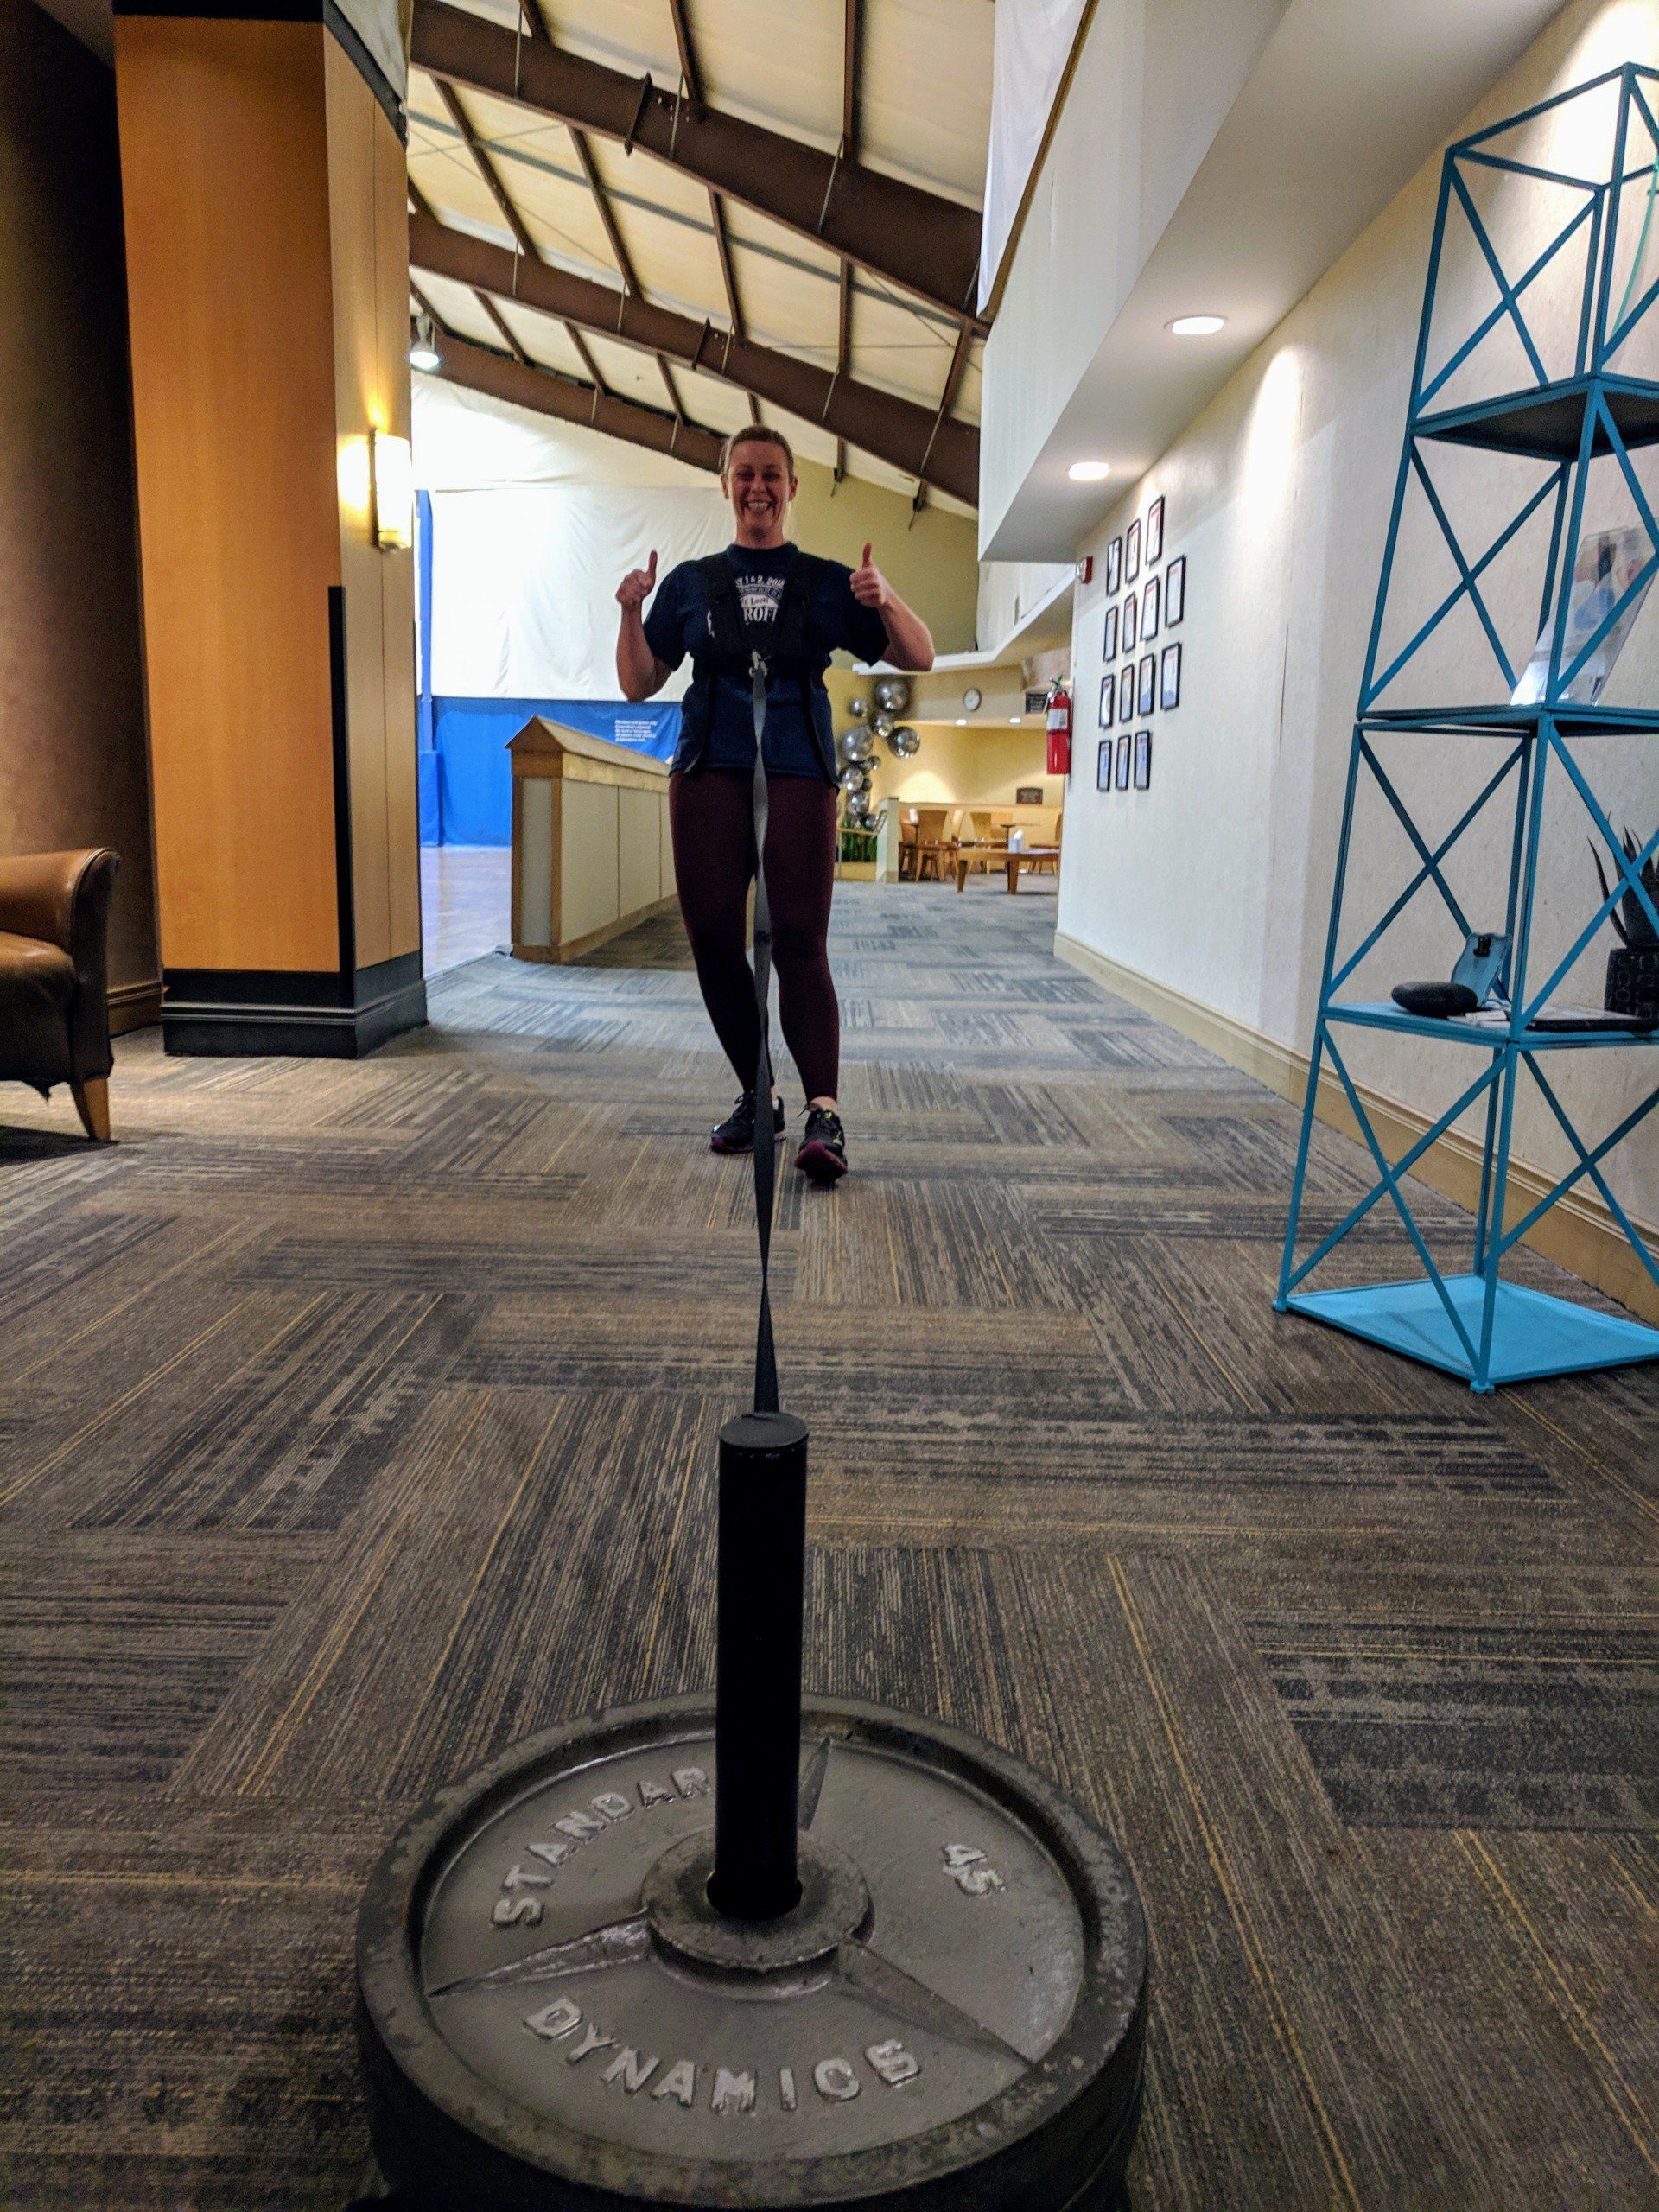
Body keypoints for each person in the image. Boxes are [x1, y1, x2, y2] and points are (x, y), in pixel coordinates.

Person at [615, 425, 934, 1183]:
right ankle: (758, 1095)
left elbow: (918, 655)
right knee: (714, 943)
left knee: (799, 942)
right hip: (706, 773)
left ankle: (825, 1112)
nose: (758, 487)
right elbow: (638, 682)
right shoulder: (691, 584)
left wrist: (884, 600)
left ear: (792, 488)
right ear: (726, 484)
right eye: (744, 474)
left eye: (772, 476)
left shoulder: (827, 581)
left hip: (797, 772)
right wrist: (631, 611)